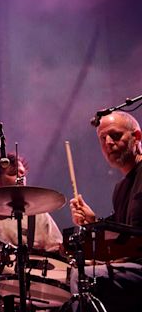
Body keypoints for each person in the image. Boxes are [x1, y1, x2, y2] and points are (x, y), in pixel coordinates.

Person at [69, 111, 142, 311]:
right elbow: (121, 240)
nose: (108, 142)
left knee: (83, 276)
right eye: (103, 138)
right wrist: (93, 223)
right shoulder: (120, 189)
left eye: (115, 135)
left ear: (137, 137)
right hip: (134, 269)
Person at [0, 153, 62, 251]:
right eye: (13, 173)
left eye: (22, 173)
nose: (20, 177)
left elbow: (57, 252)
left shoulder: (39, 215)